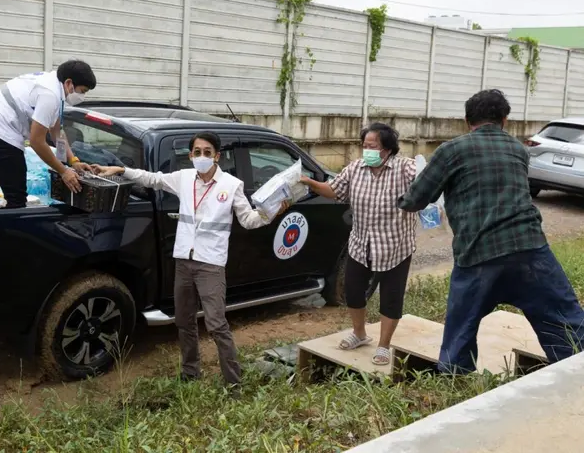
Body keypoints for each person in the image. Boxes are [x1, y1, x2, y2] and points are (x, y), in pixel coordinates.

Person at [398, 89, 584, 374]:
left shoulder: (452, 150)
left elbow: (414, 201)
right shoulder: (519, 150)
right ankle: (575, 371)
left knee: (460, 327)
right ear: (505, 120)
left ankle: (454, 377)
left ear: (466, 120)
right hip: (530, 249)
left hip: (478, 253)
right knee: (564, 322)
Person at [95, 132, 286, 388]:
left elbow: (248, 220)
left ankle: (233, 382)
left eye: (208, 152)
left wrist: (271, 212)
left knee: (217, 324)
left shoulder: (231, 185)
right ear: (190, 156)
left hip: (211, 264)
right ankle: (190, 372)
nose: (202, 156)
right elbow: (153, 179)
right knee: (184, 322)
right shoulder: (184, 178)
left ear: (217, 156)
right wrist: (121, 169)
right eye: (197, 152)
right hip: (184, 260)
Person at [299, 122, 416, 366]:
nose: (367, 151)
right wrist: (308, 182)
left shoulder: (404, 168)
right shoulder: (356, 169)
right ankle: (360, 334)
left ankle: (384, 346)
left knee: (391, 298)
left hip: (395, 246)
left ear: (387, 149)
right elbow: (334, 190)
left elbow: (425, 182)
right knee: (352, 291)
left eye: (372, 146)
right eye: (364, 146)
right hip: (361, 243)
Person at [0, 61, 96, 210]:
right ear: (69, 83)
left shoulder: (52, 83)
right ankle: (8, 233)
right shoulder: (50, 94)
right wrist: (63, 171)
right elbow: (37, 142)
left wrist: (73, 160)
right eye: (82, 91)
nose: (82, 96)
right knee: (16, 199)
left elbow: (56, 131)